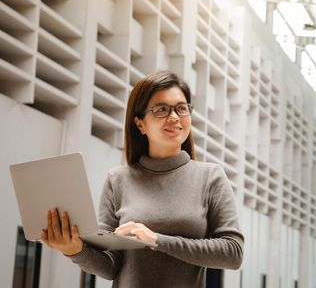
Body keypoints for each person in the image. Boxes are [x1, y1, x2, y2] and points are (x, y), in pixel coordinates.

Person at [40, 70, 244, 287]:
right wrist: (74, 250)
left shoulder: (210, 177)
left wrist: (156, 240)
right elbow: (111, 267)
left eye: (181, 108)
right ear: (140, 124)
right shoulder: (117, 180)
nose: (174, 117)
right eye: (162, 109)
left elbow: (233, 253)